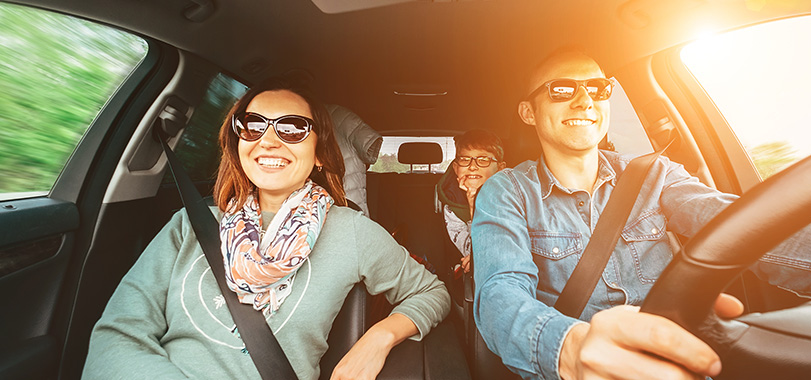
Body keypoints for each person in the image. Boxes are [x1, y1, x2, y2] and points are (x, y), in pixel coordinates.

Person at [471, 49, 811, 380]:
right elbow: (500, 293)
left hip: (680, 365)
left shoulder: (655, 175)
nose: (584, 101)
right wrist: (572, 349)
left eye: (599, 88)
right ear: (528, 112)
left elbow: (743, 228)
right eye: (562, 90)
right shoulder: (506, 191)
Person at [83, 79, 450, 380]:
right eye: (253, 125)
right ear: (239, 142)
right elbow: (118, 335)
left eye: (292, 128)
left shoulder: (351, 231)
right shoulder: (190, 225)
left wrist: (379, 338)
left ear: (321, 152)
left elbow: (432, 292)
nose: (268, 140)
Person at [436, 129, 506, 275]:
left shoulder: (513, 198)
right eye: (464, 160)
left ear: (500, 169)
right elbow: (472, 251)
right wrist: (473, 203)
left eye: (483, 160)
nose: (472, 166)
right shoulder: (452, 206)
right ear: (456, 168)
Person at [326, 103, 382, 216]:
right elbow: (369, 154)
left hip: (347, 197)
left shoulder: (339, 117)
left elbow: (370, 153)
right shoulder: (340, 117)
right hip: (349, 196)